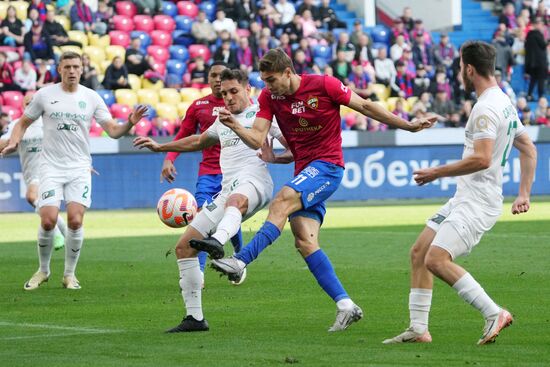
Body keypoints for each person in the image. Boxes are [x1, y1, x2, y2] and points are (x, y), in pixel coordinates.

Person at [204, 48, 436, 331]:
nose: (268, 86)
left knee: (281, 200)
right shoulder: (269, 96)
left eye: (272, 79)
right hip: (304, 172)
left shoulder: (324, 85)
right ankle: (346, 305)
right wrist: (237, 127)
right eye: (264, 80)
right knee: (304, 241)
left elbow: (365, 106)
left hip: (327, 167)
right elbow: (256, 139)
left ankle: (241, 260)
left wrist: (408, 125)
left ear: (288, 72)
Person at [383, 41, 537, 345]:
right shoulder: (503, 100)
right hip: (465, 198)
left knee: (436, 259)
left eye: (459, 67)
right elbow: (528, 147)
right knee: (419, 252)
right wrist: (524, 194)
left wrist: (435, 172)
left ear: (469, 68)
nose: (458, 73)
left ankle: (494, 312)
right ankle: (418, 329)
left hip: (478, 203)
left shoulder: (485, 109)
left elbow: (481, 158)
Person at [134, 69, 290, 332]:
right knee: (184, 248)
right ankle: (194, 318)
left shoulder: (261, 116)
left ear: (247, 90)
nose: (228, 97)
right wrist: (162, 147)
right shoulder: (222, 121)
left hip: (256, 183)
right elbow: (198, 140)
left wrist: (275, 158)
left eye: (234, 91)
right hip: (228, 190)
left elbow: (293, 148)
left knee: (235, 201)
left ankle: (217, 241)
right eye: (225, 92)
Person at [0, 52, 148, 291]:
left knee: (75, 221)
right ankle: (43, 270)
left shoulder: (91, 97)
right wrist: (15, 141)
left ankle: (69, 274)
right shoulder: (45, 94)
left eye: (76, 67)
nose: (71, 70)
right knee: (48, 220)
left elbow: (112, 130)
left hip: (79, 167)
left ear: (82, 69)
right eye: (67, 66)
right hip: (50, 166)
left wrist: (130, 122)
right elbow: (22, 123)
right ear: (59, 68)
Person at [160, 61, 244, 281]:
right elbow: (183, 135)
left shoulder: (241, 105)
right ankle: (199, 272)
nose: (218, 79)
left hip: (234, 172)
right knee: (203, 216)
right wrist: (169, 159)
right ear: (207, 79)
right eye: (213, 75)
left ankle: (238, 259)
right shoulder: (199, 106)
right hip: (208, 172)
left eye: (222, 75)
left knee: (231, 214)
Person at [0, 94, 66, 251]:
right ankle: (66, 233)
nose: (30, 105)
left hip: (49, 169)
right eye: (27, 103)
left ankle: (57, 233)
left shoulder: (49, 123)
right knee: (43, 205)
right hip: (30, 172)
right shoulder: (17, 124)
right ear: (23, 106)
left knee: (31, 197)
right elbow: (6, 143)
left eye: (33, 103)